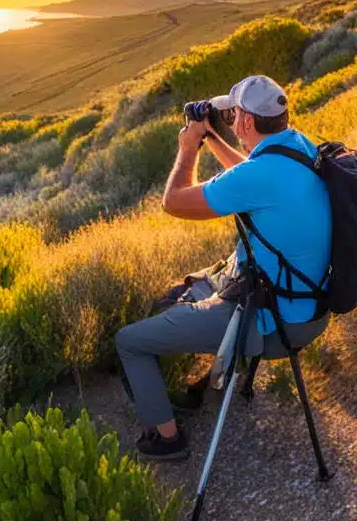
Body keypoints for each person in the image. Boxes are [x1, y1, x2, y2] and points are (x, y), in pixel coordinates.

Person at [114, 75, 332, 461]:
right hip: (311, 308)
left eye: (233, 114)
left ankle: (166, 439)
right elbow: (249, 175)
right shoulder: (297, 146)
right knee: (183, 289)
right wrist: (212, 137)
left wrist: (188, 149)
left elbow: (175, 202)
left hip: (271, 324)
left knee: (129, 342)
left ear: (247, 122)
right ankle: (200, 382)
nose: (229, 119)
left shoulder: (259, 173)